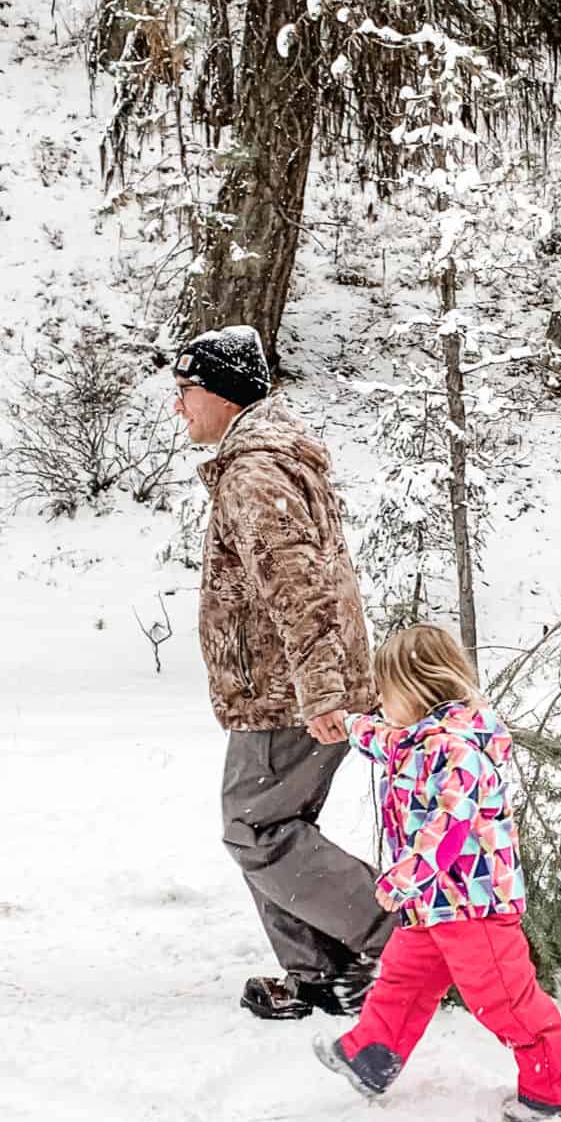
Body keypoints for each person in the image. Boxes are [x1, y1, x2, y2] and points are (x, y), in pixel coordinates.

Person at [168, 326, 393, 1021]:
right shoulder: (266, 459)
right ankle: (324, 970)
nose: (180, 410)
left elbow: (299, 587)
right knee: (272, 823)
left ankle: (404, 944)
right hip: (289, 687)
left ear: (222, 394)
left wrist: (323, 691)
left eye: (186, 394)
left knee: (256, 828)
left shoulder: (259, 472)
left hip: (288, 693)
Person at [314, 625, 561, 1122]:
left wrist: (403, 879)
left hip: (474, 904)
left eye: (386, 692)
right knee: (402, 981)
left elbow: (449, 826)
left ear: (416, 688)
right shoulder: (418, 739)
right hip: (433, 904)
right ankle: (370, 1056)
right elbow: (387, 740)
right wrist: (348, 725)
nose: (381, 702)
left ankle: (557, 1085)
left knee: (503, 998)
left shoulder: (458, 750)